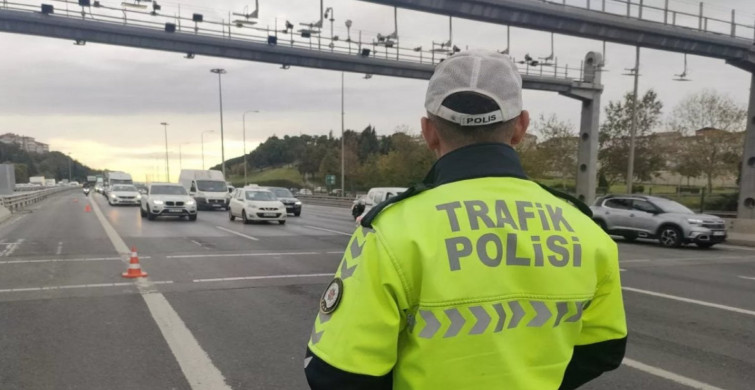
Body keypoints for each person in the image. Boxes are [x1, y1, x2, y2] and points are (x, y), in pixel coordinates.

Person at [304, 50, 627, 390]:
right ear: (520, 127)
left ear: (429, 132)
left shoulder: (391, 232)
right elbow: (603, 349)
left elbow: (336, 374)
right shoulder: (585, 230)